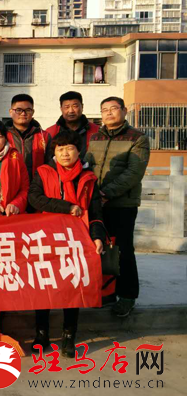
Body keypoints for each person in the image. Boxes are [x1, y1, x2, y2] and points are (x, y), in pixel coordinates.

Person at [29, 130, 106, 357]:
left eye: (70, 148)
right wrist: (67, 207)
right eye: (60, 149)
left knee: (72, 287)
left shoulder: (88, 177)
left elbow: (95, 211)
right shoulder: (44, 172)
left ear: (78, 151)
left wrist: (97, 236)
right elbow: (35, 199)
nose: (65, 154)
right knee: (44, 285)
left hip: (76, 240)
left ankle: (69, 336)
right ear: (54, 152)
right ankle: (41, 334)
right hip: (46, 238)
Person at [85, 97, 150, 318]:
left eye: (114, 108)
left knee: (122, 250)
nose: (109, 113)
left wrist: (106, 194)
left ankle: (128, 296)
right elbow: (87, 166)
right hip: (96, 203)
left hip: (122, 204)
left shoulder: (137, 138)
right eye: (104, 110)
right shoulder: (96, 137)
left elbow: (134, 172)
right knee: (98, 248)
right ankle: (105, 292)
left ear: (124, 110)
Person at [6, 94, 51, 179]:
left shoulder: (44, 136)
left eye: (28, 110)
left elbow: (50, 165)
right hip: (10, 184)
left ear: (33, 112)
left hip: (37, 184)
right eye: (18, 110)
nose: (23, 113)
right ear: (11, 112)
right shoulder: (3, 136)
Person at [45, 91, 99, 161]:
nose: (71, 111)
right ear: (61, 109)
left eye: (75, 106)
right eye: (67, 107)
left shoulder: (96, 131)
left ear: (82, 107)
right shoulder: (50, 132)